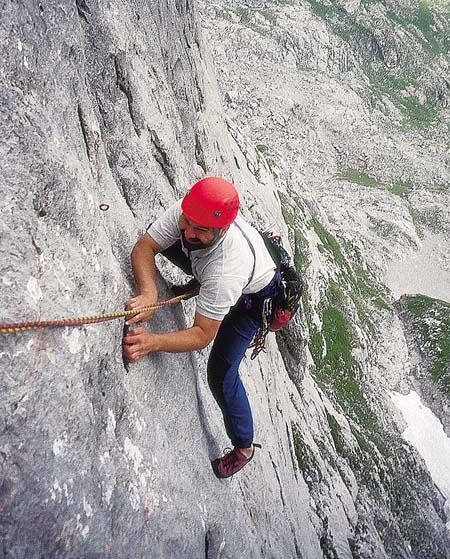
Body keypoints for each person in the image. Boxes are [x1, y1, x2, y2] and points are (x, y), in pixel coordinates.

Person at [123, 176, 279, 478]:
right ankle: (201, 283)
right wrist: (149, 294)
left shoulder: (224, 271)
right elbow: (146, 245)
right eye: (187, 222)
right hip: (219, 274)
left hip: (250, 302)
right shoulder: (192, 213)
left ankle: (243, 447)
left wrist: (152, 342)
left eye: (200, 230)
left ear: (221, 230)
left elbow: (203, 334)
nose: (189, 231)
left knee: (221, 374)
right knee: (174, 241)